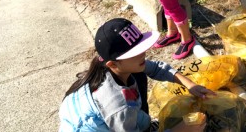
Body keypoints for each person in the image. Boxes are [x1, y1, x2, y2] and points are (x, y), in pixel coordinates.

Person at [59, 18, 215, 131]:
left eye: (141, 48)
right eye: (135, 52)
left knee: (139, 74)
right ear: (112, 64)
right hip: (105, 122)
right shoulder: (117, 106)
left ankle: (144, 126)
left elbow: (157, 68)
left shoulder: (113, 68)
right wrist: (180, 130)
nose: (143, 54)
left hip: (111, 120)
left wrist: (190, 85)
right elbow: (120, 111)